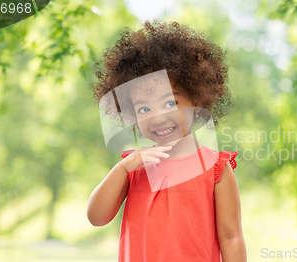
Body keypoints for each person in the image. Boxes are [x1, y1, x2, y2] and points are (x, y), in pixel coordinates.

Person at [87, 19, 247, 262]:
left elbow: (231, 236)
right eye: (143, 109)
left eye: (170, 103)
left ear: (197, 102)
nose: (158, 117)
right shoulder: (133, 167)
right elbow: (96, 217)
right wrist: (122, 168)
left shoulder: (216, 168)